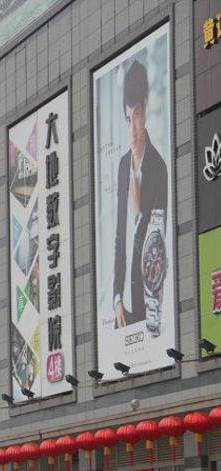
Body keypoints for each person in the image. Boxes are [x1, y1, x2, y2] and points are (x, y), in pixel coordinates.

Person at [112, 59, 168, 329]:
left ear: (145, 109)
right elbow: (119, 237)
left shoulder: (159, 168)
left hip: (147, 306)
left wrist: (137, 216)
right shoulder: (123, 166)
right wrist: (116, 297)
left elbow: (157, 247)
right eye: (127, 118)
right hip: (122, 309)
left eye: (136, 116)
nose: (132, 128)